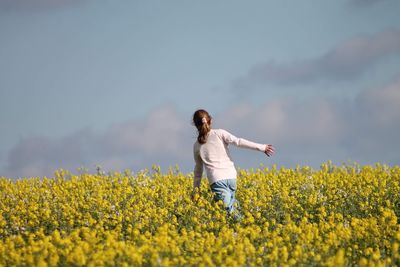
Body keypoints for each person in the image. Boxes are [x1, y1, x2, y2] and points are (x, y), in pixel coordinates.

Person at [191, 109, 275, 218]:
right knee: (228, 209)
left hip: (216, 180)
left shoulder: (197, 146)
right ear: (210, 121)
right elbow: (238, 141)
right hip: (231, 177)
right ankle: (240, 227)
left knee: (229, 212)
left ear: (195, 125)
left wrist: (195, 191)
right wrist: (262, 147)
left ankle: (242, 229)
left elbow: (198, 171)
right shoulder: (220, 133)